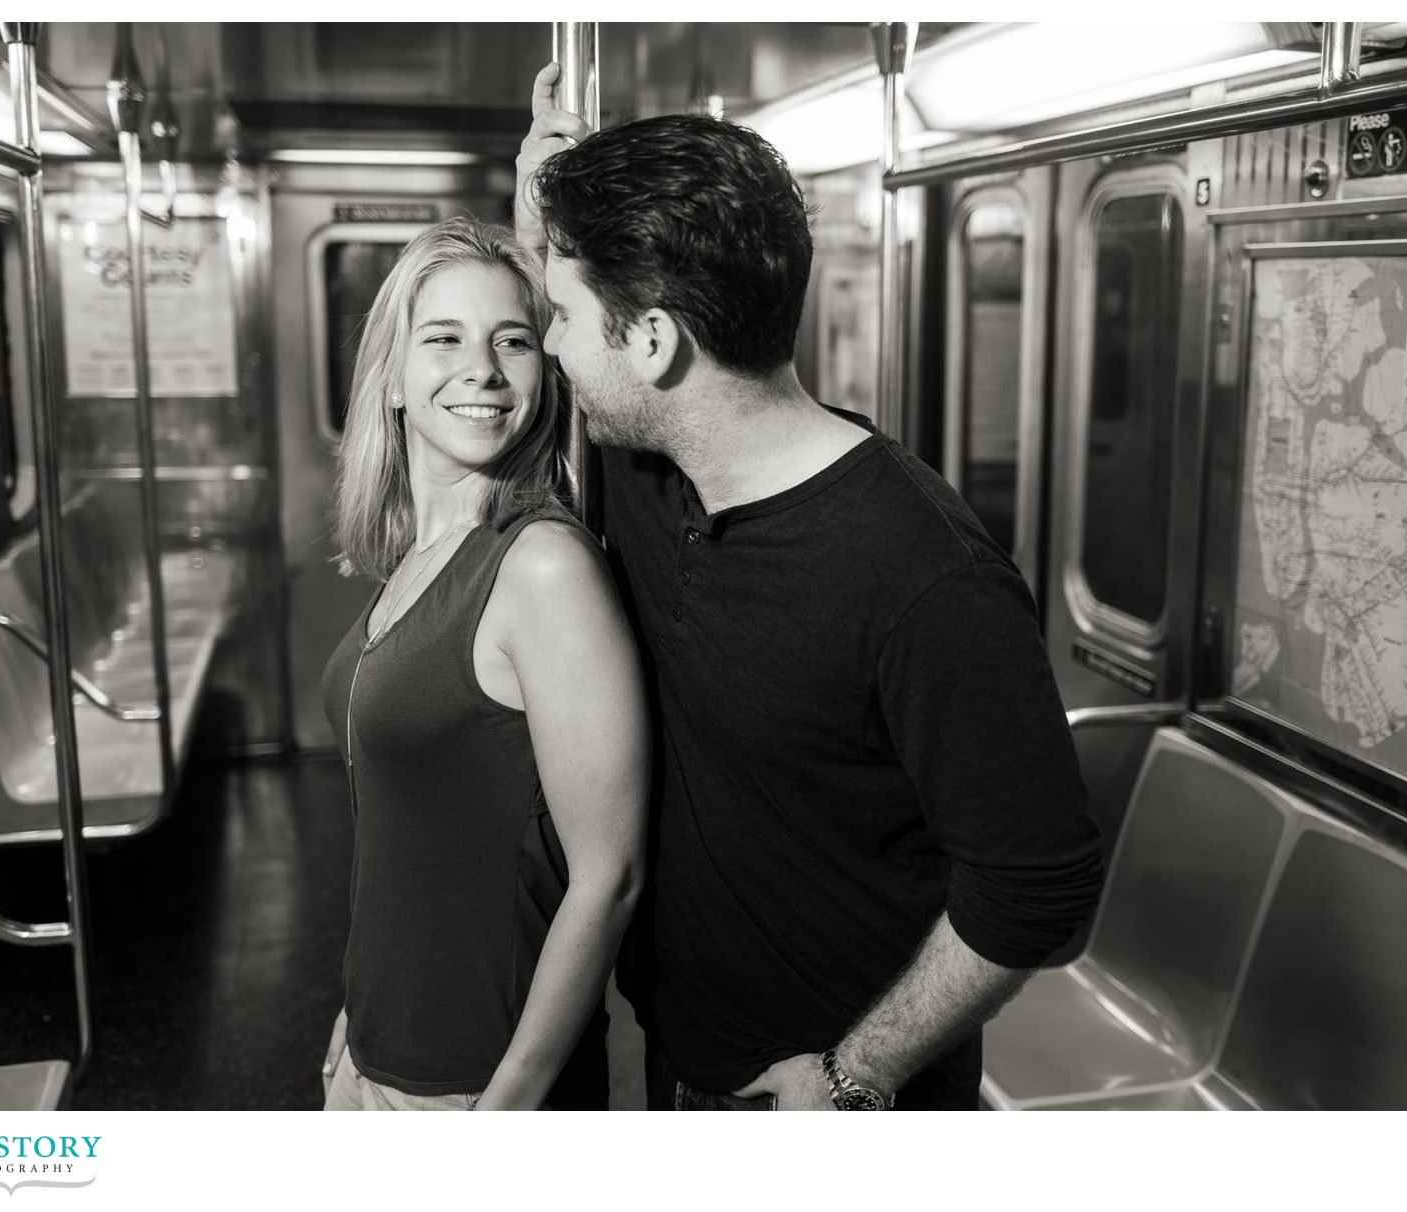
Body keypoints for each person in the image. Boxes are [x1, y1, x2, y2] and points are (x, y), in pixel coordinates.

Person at [516, 64, 1104, 1111]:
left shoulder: (923, 577)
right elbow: (591, 313)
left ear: (653, 343)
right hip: (688, 1050)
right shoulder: (657, 467)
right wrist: (542, 201)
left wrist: (852, 1075)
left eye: (559, 318)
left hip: (826, 1094)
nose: (548, 347)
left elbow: (1038, 887)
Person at [317, 214, 649, 1110]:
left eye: (514, 340)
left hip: (475, 1084)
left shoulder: (540, 566)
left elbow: (608, 876)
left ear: (545, 375)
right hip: (378, 1047)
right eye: (444, 340)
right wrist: (358, 1015)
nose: (484, 370)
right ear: (392, 377)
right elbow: (405, 842)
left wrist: (508, 1104)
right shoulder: (414, 559)